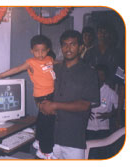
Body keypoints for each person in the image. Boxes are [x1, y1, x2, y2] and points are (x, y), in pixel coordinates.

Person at [0, 34, 56, 159]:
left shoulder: (49, 59)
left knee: (43, 119)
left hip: (52, 93)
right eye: (36, 51)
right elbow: (17, 69)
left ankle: (37, 141)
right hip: (43, 96)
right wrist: (0, 75)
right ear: (32, 51)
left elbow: (56, 64)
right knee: (49, 123)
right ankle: (46, 151)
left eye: (43, 50)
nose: (40, 54)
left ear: (48, 50)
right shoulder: (31, 62)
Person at [39, 30, 100, 159]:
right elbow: (42, 90)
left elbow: (85, 104)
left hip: (73, 138)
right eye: (65, 44)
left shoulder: (89, 72)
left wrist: (54, 105)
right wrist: (41, 104)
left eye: (73, 44)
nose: (68, 48)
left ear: (80, 47)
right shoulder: (54, 69)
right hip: (51, 136)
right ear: (61, 47)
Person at [86, 64, 118, 159]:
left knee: (102, 153)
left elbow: (119, 107)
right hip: (89, 127)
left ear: (105, 77)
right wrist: (86, 112)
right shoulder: (87, 89)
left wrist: (109, 114)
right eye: (97, 75)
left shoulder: (109, 91)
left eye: (102, 75)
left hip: (103, 128)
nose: (99, 78)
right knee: (90, 153)